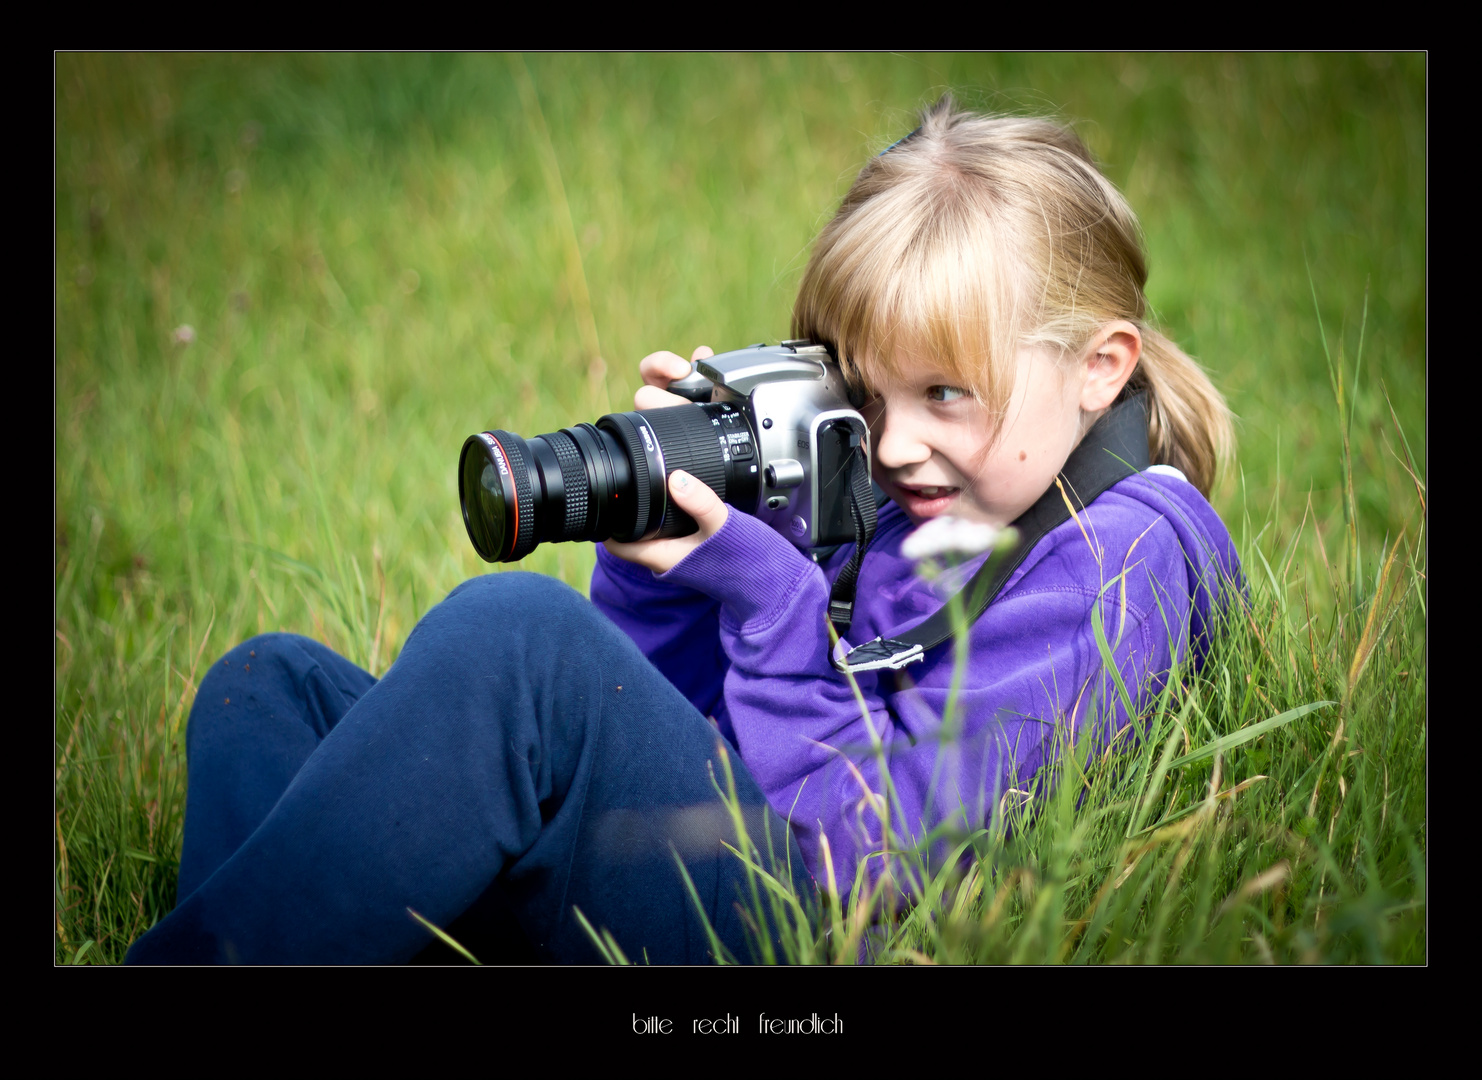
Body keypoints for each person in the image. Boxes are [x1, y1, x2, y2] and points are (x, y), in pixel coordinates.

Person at [125, 97, 1240, 965]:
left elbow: (885, 865)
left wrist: (771, 599)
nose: (896, 444)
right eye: (870, 391)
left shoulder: (1124, 554)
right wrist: (668, 560)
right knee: (270, 683)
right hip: (716, 857)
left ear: (1101, 369)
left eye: (948, 393)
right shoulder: (910, 496)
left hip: (817, 928)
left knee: (519, 639)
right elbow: (671, 724)